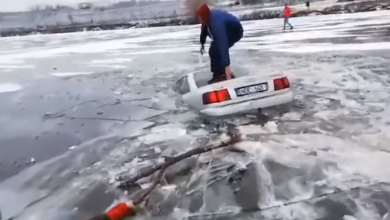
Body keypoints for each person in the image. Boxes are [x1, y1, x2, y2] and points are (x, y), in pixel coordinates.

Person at [197, 4, 243, 84]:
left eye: (201, 18)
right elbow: (204, 28)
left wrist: (226, 65)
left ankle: (222, 75)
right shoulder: (207, 17)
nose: (200, 20)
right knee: (215, 50)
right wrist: (202, 43)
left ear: (205, 16)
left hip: (235, 31)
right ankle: (219, 73)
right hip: (227, 28)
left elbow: (223, 44)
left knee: (216, 49)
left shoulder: (216, 23)